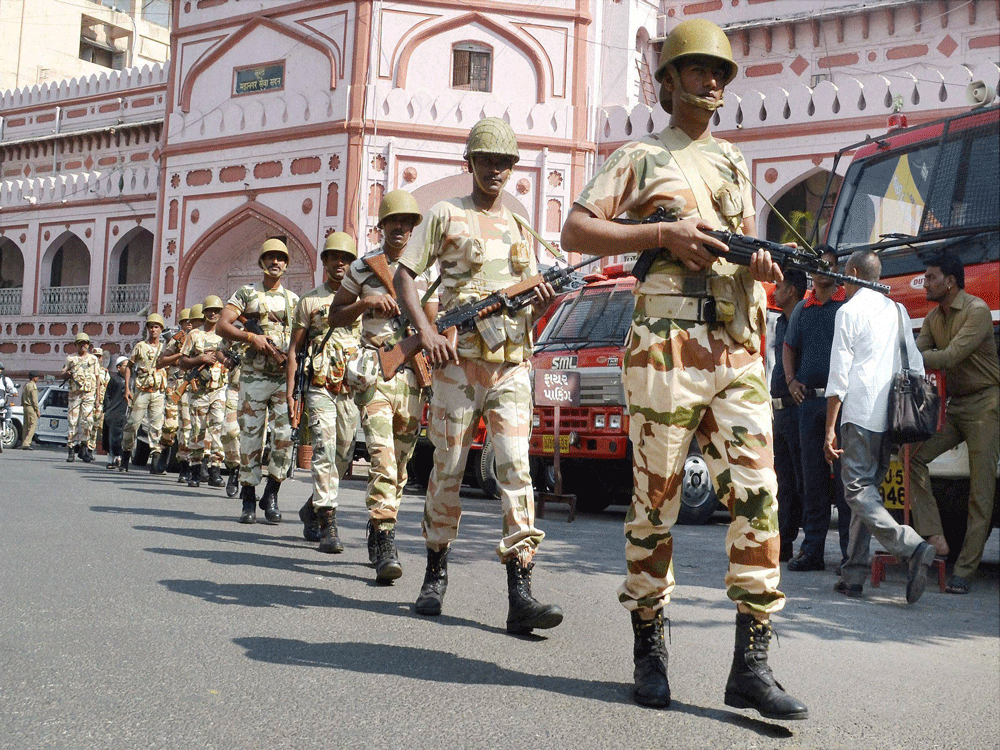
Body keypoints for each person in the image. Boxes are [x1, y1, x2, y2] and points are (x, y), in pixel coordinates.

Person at [559, 19, 807, 718]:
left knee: (760, 498)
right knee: (657, 503)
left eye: (720, 72)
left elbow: (743, 248)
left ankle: (751, 665)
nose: (711, 81)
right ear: (666, 81)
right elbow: (576, 229)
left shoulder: (733, 162)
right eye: (696, 70)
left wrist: (762, 268)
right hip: (666, 347)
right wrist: (660, 233)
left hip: (735, 346)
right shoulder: (640, 156)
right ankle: (649, 649)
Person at [394, 117, 564, 635]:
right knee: (446, 469)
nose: (497, 170)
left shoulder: (518, 224)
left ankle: (521, 590)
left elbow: (526, 299)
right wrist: (426, 333)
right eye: (488, 160)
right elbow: (405, 275)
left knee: (515, 468)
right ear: (469, 162)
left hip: (510, 363)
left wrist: (542, 304)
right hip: (455, 367)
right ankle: (435, 571)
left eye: (505, 162)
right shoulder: (446, 214)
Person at [330, 192, 436, 582]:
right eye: (393, 221)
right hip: (375, 371)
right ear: (382, 225)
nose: (400, 229)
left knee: (403, 466)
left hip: (412, 374)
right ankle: (385, 538)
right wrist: (366, 302)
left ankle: (377, 527)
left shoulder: (425, 270)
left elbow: (433, 323)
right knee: (381, 457)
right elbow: (335, 316)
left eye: (407, 223)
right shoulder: (362, 267)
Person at [823, 250, 937, 602]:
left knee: (856, 491)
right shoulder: (897, 309)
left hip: (859, 413)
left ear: (855, 273)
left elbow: (839, 376)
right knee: (868, 491)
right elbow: (915, 363)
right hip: (891, 416)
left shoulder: (848, 311)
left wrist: (829, 427)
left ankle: (911, 546)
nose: (841, 281)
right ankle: (853, 574)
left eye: (844, 275)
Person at [908, 251, 999, 594]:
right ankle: (935, 536)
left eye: (931, 277)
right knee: (915, 458)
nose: (925, 283)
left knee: (981, 491)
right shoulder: (933, 317)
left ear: (951, 281)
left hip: (986, 403)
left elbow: (946, 358)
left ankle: (964, 569)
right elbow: (919, 359)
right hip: (954, 405)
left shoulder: (976, 311)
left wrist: (911, 355)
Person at [288, 232, 362, 554]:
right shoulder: (310, 301)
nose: (340, 263)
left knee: (343, 456)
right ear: (325, 262)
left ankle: (311, 507)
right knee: (324, 450)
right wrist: (291, 393)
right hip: (320, 387)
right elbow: (295, 349)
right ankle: (328, 523)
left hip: (351, 389)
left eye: (346, 258)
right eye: (334, 257)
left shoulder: (362, 300)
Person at [217, 238, 300, 524]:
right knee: (251, 437)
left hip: (282, 379)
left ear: (286, 264)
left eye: (280, 258)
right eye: (270, 257)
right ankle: (249, 497)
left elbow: (300, 340)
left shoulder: (293, 301)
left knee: (286, 437)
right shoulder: (246, 293)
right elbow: (223, 325)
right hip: (253, 377)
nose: (275, 262)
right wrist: (252, 337)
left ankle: (272, 492)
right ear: (261, 262)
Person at [782, 247, 850, 572]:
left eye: (829, 265)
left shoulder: (847, 305)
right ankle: (812, 552)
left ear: (838, 270)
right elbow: (788, 347)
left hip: (842, 404)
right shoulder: (801, 309)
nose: (823, 271)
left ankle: (850, 557)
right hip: (809, 405)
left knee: (845, 483)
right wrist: (791, 380)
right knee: (813, 481)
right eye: (818, 266)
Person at [771, 272, 807, 561]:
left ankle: (807, 542)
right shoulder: (781, 321)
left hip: (798, 409)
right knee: (782, 480)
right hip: (779, 409)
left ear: (792, 290)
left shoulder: (804, 317)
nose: (774, 289)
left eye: (779, 286)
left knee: (801, 480)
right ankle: (783, 541)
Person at [180, 296, 234, 489]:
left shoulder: (224, 335)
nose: (213, 314)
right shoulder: (194, 335)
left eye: (216, 310)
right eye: (209, 310)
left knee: (218, 428)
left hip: (219, 389)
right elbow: (182, 362)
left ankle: (215, 470)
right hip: (199, 392)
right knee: (198, 430)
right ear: (203, 313)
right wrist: (200, 359)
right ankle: (195, 470)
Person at [121, 314, 167, 473]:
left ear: (161, 329)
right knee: (133, 424)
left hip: (158, 392)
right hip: (141, 391)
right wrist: (127, 388)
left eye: (156, 327)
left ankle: (155, 459)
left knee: (156, 427)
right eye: (151, 326)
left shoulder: (165, 348)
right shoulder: (140, 346)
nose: (153, 330)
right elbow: (129, 366)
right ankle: (125, 454)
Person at [156, 308, 194, 476]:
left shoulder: (198, 339)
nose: (190, 325)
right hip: (173, 385)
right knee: (170, 425)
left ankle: (184, 466)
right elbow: (161, 361)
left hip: (189, 386)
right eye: (186, 322)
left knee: (187, 426)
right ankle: (164, 451)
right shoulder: (176, 340)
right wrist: (180, 355)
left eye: (192, 321)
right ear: (181, 324)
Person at [60, 333, 100, 463]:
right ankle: (71, 449)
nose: (83, 345)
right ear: (76, 345)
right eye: (80, 343)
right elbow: (62, 374)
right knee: (72, 421)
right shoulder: (71, 359)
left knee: (87, 421)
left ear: (88, 344)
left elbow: (98, 378)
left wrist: (98, 398)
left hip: (89, 394)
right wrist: (68, 373)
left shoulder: (93, 359)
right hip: (75, 395)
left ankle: (84, 448)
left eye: (86, 343)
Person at [103, 356, 130, 469]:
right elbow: (108, 395)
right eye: (125, 366)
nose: (128, 368)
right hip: (115, 412)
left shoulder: (132, 380)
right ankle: (111, 459)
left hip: (126, 413)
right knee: (112, 437)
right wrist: (108, 409)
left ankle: (120, 458)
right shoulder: (115, 380)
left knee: (123, 437)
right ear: (119, 368)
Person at [87, 349, 111, 459]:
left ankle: (90, 449)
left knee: (96, 427)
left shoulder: (104, 372)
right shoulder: (87, 370)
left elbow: (108, 389)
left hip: (99, 404)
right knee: (86, 425)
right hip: (87, 401)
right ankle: (83, 447)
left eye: (99, 356)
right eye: (95, 356)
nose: (97, 358)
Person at [19, 371, 41, 450]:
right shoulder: (33, 386)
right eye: (37, 377)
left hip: (25, 407)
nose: (38, 378)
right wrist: (37, 410)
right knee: (33, 425)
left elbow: (22, 397)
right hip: (31, 407)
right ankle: (27, 443)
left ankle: (23, 442)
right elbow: (34, 400)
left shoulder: (26, 385)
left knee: (26, 425)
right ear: (34, 377)